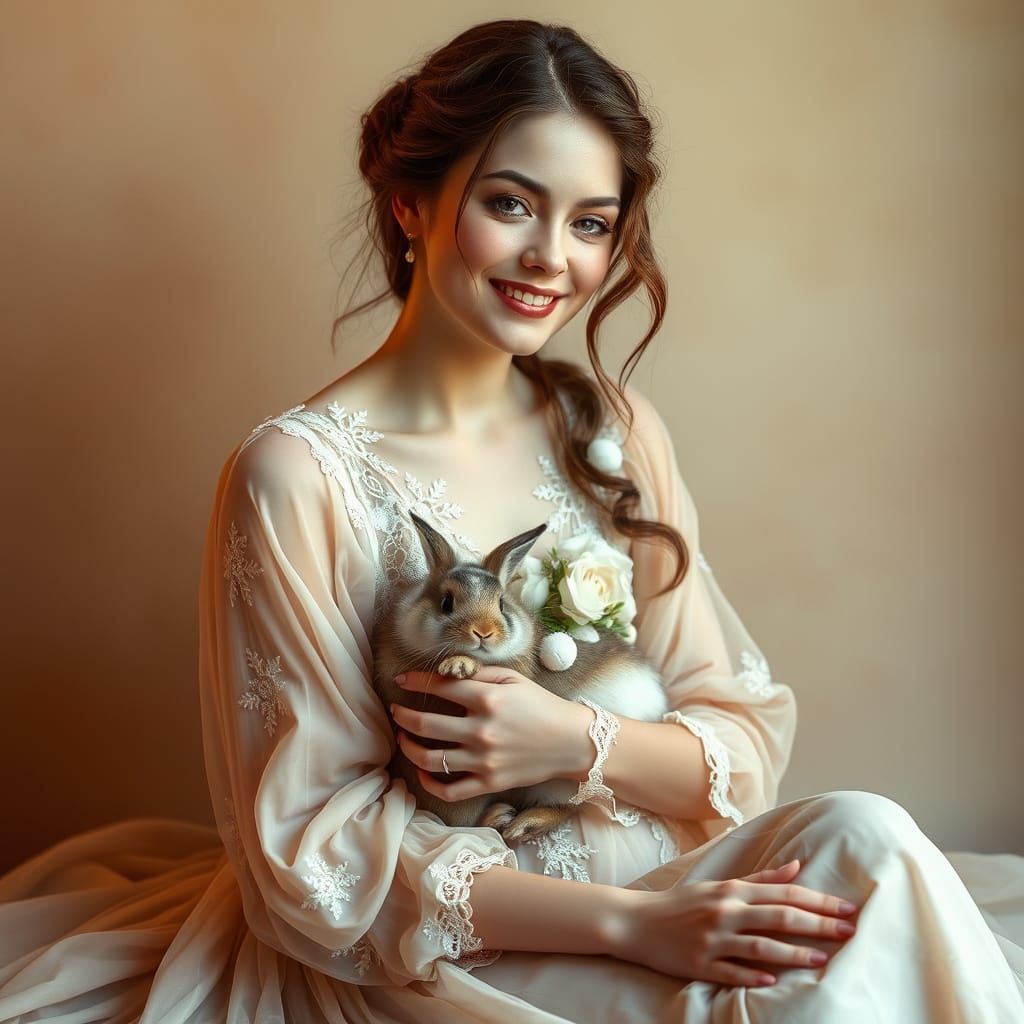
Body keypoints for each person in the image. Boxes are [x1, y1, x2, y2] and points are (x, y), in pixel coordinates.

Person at [1, 18, 1022, 1023]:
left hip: (667, 884)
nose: (550, 258)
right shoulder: (294, 476)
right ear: (410, 204)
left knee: (869, 832)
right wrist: (633, 927)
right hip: (460, 953)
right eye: (509, 204)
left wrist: (574, 739)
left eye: (589, 222)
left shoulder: (611, 429)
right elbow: (316, 860)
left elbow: (739, 735)